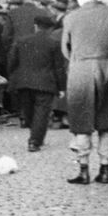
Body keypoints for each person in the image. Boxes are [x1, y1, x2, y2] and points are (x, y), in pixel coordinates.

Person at [61, 0, 108, 185]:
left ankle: (83, 170)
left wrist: (77, 60)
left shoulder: (71, 18)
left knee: (81, 123)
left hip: (80, 71)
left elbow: (65, 48)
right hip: (106, 69)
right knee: (106, 122)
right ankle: (105, 168)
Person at [8, 12, 65, 152]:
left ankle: (34, 134)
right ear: (49, 28)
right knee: (42, 112)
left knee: (29, 112)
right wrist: (62, 87)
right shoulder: (54, 43)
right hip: (46, 83)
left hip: (24, 82)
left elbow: (11, 62)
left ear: (35, 26)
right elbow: (58, 67)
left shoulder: (21, 41)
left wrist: (14, 77)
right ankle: (35, 141)